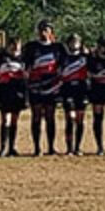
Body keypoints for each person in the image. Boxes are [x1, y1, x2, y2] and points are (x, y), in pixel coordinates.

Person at [23, 21, 64, 155]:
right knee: (36, 116)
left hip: (51, 86)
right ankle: (37, 147)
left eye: (46, 30)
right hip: (36, 86)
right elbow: (26, 66)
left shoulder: (58, 48)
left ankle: (51, 147)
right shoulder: (31, 47)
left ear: (51, 31)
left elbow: (63, 65)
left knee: (50, 116)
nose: (43, 32)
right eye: (41, 30)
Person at [0, 35, 29, 157]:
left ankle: (12, 147)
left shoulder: (24, 59)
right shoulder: (1, 58)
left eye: (17, 46)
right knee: (5, 120)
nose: (15, 48)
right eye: (12, 46)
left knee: (14, 120)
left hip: (18, 92)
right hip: (5, 92)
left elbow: (27, 75)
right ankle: (3, 147)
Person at [57, 34, 88, 156]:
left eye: (77, 42)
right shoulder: (63, 57)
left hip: (81, 90)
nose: (74, 44)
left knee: (80, 120)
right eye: (72, 42)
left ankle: (78, 147)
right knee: (70, 118)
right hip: (67, 90)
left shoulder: (85, 57)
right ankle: (69, 148)